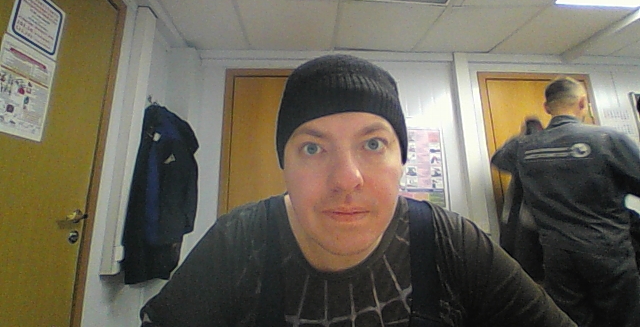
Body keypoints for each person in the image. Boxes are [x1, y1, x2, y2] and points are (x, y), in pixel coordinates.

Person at [140, 54, 575, 326]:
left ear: (401, 159)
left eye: (372, 144)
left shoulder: (452, 242)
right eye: (312, 148)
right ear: (284, 165)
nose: (346, 178)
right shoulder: (238, 240)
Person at [492, 76, 640, 327]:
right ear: (582, 103)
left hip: (557, 256)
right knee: (623, 319)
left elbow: (499, 159)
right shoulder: (606, 139)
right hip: (607, 250)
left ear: (547, 107)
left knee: (569, 320)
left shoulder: (524, 146)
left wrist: (526, 134)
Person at [498, 117, 545, 283]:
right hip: (530, 219)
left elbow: (499, 159)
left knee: (521, 270)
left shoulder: (524, 147)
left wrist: (521, 138)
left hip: (525, 220)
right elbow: (499, 161)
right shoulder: (525, 149)